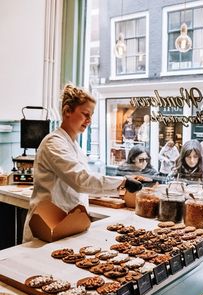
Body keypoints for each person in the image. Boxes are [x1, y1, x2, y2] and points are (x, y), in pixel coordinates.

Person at [23, 84, 142, 242]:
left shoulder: (75, 147)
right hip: (45, 228)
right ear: (67, 111)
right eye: (86, 114)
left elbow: (84, 183)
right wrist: (122, 182)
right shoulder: (53, 143)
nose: (89, 120)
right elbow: (81, 180)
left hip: (67, 227)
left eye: (91, 115)